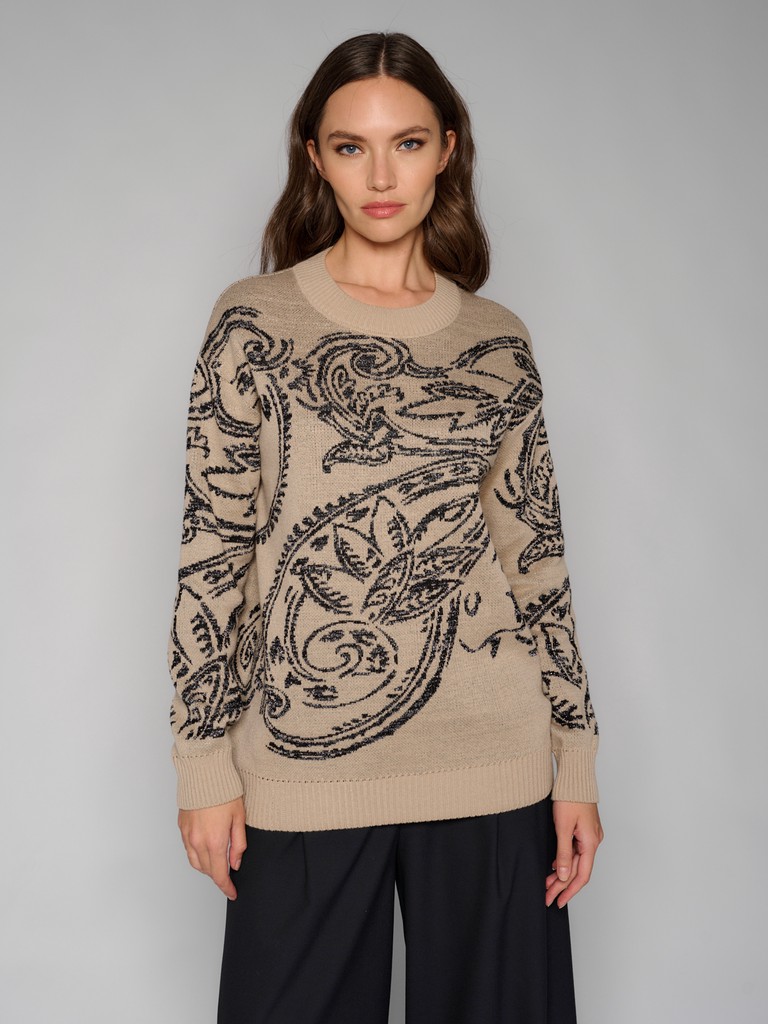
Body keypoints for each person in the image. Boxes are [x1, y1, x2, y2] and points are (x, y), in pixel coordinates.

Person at [167, 31, 604, 1024]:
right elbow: (213, 552)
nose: (380, 175)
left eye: (406, 143)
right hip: (301, 763)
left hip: (495, 762)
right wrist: (202, 764)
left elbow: (536, 561)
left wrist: (575, 761)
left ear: (447, 149)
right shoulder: (253, 322)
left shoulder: (497, 339)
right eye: (350, 146)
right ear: (314, 157)